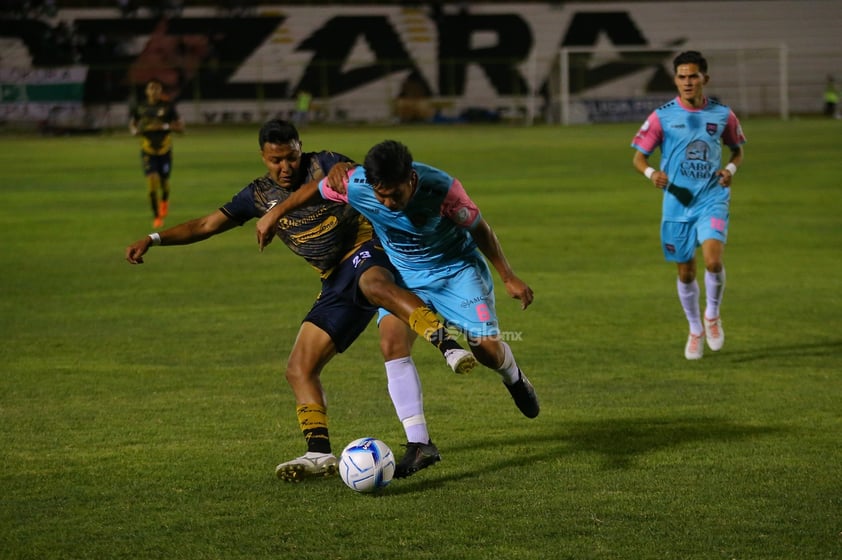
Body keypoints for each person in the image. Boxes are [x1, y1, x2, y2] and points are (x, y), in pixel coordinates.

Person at [125, 119, 476, 481]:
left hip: (369, 249)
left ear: (300, 147)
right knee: (299, 368)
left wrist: (345, 168)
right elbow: (205, 225)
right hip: (334, 281)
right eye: (276, 159)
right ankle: (319, 453)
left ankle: (445, 342)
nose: (285, 166)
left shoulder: (324, 162)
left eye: (291, 157)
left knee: (373, 283)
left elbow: (358, 176)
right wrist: (154, 239)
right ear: (263, 156)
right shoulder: (257, 195)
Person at [256, 140, 540, 421]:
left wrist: (508, 276)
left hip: (455, 270)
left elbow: (480, 229)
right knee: (392, 344)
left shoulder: (444, 190)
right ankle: (419, 444)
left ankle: (513, 376)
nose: (389, 203)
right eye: (382, 196)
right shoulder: (358, 185)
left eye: (395, 195)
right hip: (405, 275)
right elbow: (314, 191)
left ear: (411, 178)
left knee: (486, 350)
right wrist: (275, 213)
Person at [631, 50, 746, 360]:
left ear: (704, 79)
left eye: (693, 76)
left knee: (712, 261)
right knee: (685, 272)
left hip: (712, 197)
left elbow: (737, 152)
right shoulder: (662, 116)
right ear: (675, 80)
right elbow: (638, 157)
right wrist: (652, 173)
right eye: (682, 76)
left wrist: (730, 170)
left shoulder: (723, 115)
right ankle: (695, 328)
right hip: (677, 204)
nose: (687, 82)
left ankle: (712, 315)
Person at [129, 78, 185, 229]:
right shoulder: (140, 107)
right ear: (147, 91)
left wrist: (164, 126)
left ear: (160, 91)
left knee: (164, 183)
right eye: (151, 88)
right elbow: (133, 125)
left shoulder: (168, 107)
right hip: (148, 149)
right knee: (152, 182)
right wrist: (136, 131)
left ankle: (164, 201)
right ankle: (157, 216)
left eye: (157, 89)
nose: (154, 91)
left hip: (164, 149)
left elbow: (180, 127)